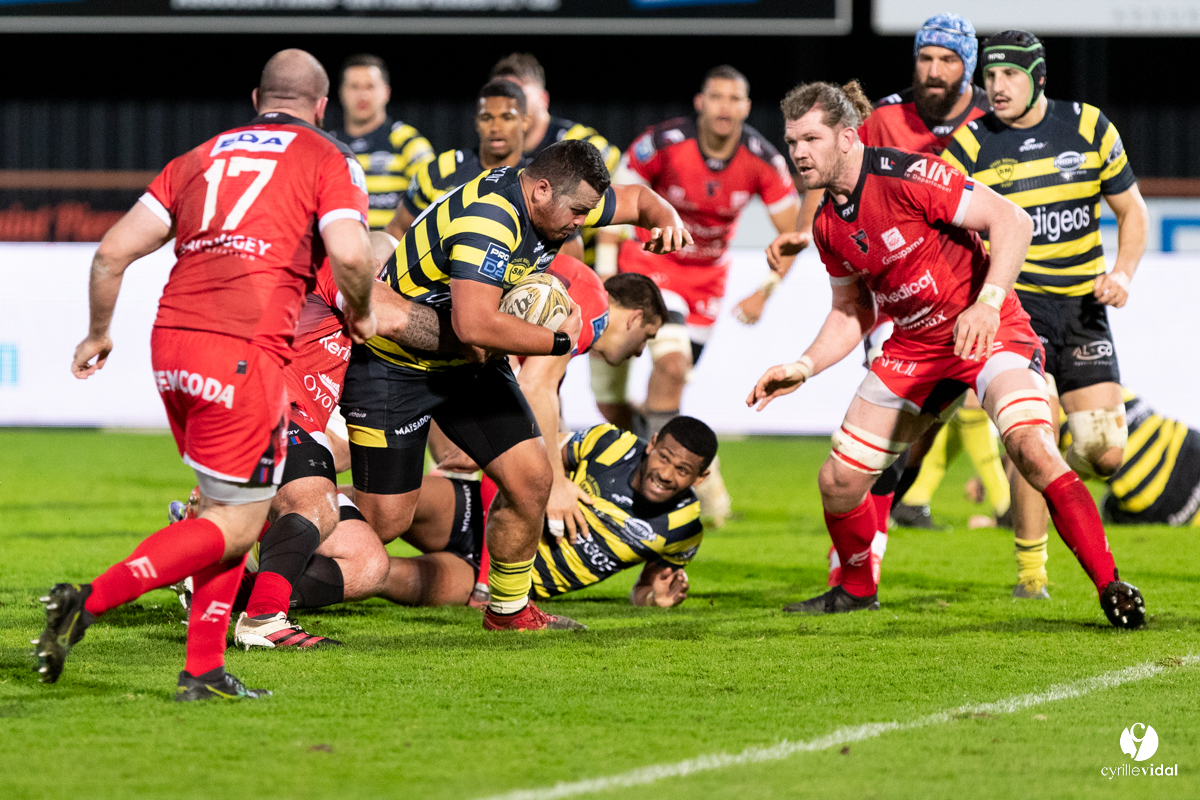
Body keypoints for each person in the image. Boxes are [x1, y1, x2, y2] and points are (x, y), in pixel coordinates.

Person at [37, 50, 378, 699]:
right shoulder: (327, 157)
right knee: (237, 525)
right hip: (244, 348)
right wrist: (359, 310)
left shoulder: (198, 158)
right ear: (322, 107)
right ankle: (89, 598)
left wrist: (98, 332)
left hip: (172, 346)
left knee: (232, 511)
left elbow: (111, 253)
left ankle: (203, 670)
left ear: (257, 98)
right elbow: (352, 252)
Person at [746, 80, 1145, 629]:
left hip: (988, 332)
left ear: (845, 137)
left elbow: (1012, 221)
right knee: (838, 481)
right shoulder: (826, 225)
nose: (798, 153)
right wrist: (804, 366)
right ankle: (857, 591)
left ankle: (1111, 585)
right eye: (791, 142)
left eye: (809, 139)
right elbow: (850, 310)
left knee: (1031, 444)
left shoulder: (910, 174)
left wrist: (987, 303)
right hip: (914, 347)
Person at [340, 139, 691, 632]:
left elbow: (635, 200)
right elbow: (475, 325)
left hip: (466, 366)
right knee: (385, 521)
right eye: (577, 213)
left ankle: (508, 610)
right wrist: (560, 338)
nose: (580, 226)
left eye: (587, 213)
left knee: (532, 479)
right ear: (542, 189)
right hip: (396, 364)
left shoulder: (557, 202)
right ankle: (276, 517)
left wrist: (666, 219)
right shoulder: (490, 221)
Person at [761, 14, 996, 536]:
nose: (933, 69)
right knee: (893, 430)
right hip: (901, 301)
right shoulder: (885, 117)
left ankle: (1031, 567)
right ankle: (865, 557)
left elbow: (1007, 207)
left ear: (969, 67)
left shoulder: (993, 118)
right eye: (925, 57)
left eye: (947, 59)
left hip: (982, 285)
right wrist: (805, 232)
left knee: (1044, 428)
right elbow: (826, 169)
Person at [941, 30, 1150, 598]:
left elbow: (1132, 213)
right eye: (989, 76)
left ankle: (1051, 484)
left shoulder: (1087, 127)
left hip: (1083, 309)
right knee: (1036, 434)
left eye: (1009, 75)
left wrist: (1122, 274)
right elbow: (940, 227)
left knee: (1105, 454)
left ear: (1038, 76)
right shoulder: (968, 146)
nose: (996, 87)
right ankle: (1031, 575)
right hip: (1016, 313)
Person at [230, 240, 475, 649]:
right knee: (314, 502)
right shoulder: (334, 268)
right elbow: (397, 317)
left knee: (369, 564)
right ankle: (262, 618)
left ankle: (231, 592)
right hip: (268, 403)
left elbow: (340, 448)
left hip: (294, 420)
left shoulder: (351, 344)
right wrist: (474, 338)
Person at [590, 65, 799, 525]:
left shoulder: (763, 159)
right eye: (717, 97)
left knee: (663, 387)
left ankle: (662, 473)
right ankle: (676, 488)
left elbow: (793, 235)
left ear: (746, 107)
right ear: (700, 102)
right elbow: (614, 201)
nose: (726, 107)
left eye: (735, 99)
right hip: (650, 267)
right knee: (665, 369)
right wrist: (606, 280)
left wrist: (765, 291)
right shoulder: (661, 143)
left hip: (705, 283)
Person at [236, 418, 715, 612]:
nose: (667, 474)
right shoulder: (609, 443)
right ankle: (243, 525)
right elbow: (537, 462)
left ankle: (250, 596)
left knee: (383, 574)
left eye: (683, 470)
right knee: (376, 503)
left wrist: (652, 599)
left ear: (700, 476)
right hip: (478, 511)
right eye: (665, 458)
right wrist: (499, 460)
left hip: (504, 578)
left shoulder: (684, 528)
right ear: (652, 445)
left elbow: (647, 585)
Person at [489, 52, 621, 270]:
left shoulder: (583, 142)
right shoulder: (488, 154)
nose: (509, 107)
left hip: (584, 268)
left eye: (518, 96)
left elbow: (616, 201)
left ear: (543, 99)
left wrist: (605, 271)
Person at [385, 80, 532, 240]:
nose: (496, 127)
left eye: (507, 117)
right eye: (487, 118)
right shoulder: (439, 171)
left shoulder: (537, 182)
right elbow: (397, 229)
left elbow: (562, 253)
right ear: (476, 122)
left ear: (525, 122)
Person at [332, 54, 435, 230]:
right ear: (341, 92)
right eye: (354, 87)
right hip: (341, 252)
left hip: (396, 253)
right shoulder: (328, 145)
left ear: (386, 92)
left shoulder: (409, 142)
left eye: (370, 86)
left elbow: (435, 201)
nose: (362, 94)